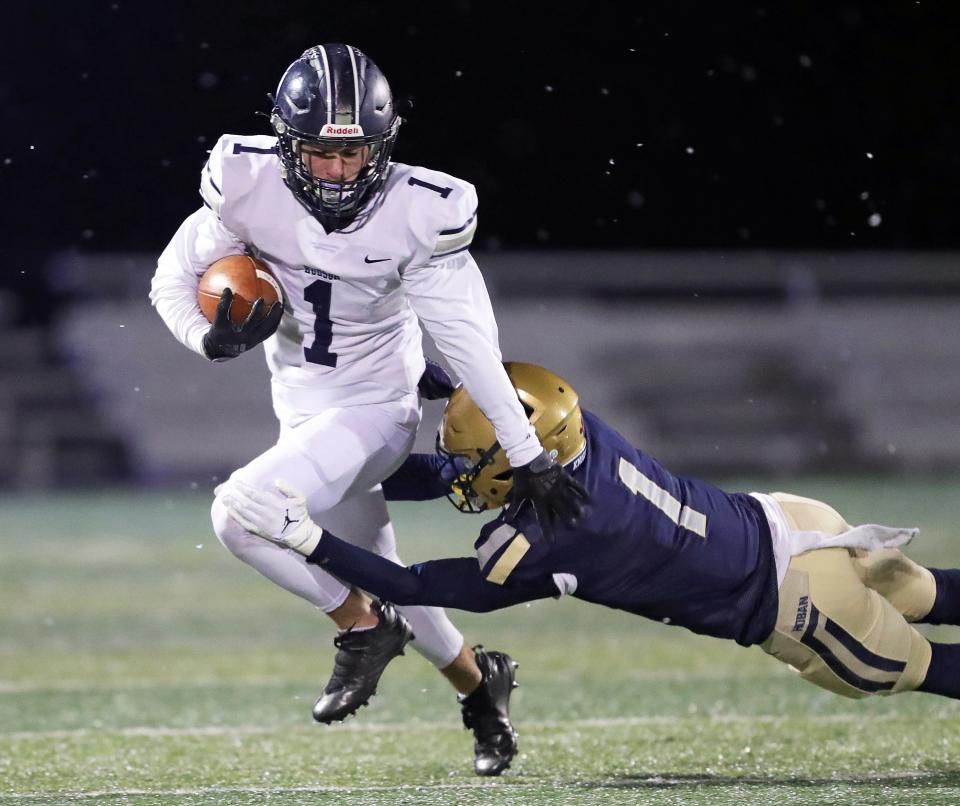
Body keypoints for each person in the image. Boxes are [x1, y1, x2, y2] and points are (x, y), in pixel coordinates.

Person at [149, 43, 586, 777]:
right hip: (304, 412)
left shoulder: (425, 210)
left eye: (355, 155)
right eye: (320, 153)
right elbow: (172, 279)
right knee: (390, 577)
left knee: (241, 512)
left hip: (380, 410)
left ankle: (359, 629)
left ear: (384, 146)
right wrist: (210, 340)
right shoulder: (245, 182)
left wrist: (529, 453)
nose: (339, 172)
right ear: (288, 144)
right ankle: (483, 688)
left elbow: (472, 346)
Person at [222, 360, 960, 708]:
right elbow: (483, 447)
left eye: (466, 456)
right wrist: (342, 471)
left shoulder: (556, 537)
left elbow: (417, 588)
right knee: (929, 593)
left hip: (795, 599)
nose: (452, 466)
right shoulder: (572, 431)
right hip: (799, 522)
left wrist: (307, 538)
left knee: (931, 668)